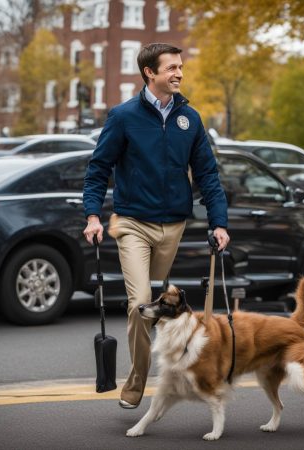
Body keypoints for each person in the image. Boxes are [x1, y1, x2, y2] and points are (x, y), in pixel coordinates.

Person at [83, 43, 230, 409]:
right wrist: (91, 216)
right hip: (131, 222)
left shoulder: (190, 119)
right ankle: (136, 382)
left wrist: (219, 223)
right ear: (150, 72)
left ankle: (166, 368)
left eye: (181, 67)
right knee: (140, 304)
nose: (179, 73)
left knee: (157, 307)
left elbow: (208, 175)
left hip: (173, 226)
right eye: (172, 68)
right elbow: (98, 168)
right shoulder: (123, 116)